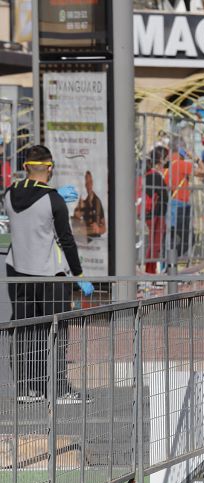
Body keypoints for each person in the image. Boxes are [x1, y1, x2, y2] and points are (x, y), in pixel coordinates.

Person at [4, 145, 94, 403]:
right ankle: (57, 388)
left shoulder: (9, 195)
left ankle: (27, 389)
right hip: (49, 274)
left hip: (18, 272)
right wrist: (78, 275)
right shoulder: (53, 199)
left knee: (24, 331)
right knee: (55, 330)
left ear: (25, 167)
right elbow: (66, 240)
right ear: (50, 167)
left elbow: (27, 204)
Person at [141, 148, 169, 274]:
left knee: (153, 244)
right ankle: (150, 272)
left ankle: (150, 270)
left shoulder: (146, 176)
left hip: (149, 214)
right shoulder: (156, 176)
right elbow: (164, 196)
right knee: (155, 245)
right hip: (157, 214)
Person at [165, 144, 194, 263]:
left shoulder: (168, 168)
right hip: (181, 205)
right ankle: (171, 263)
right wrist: (195, 158)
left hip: (170, 203)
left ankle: (167, 264)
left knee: (170, 236)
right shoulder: (181, 165)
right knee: (189, 239)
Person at [72, 170, 105, 238]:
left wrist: (98, 230)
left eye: (90, 182)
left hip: (95, 241)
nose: (88, 185)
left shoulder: (97, 202)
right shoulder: (83, 202)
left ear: (92, 183)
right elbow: (75, 220)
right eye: (86, 183)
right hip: (84, 239)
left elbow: (104, 228)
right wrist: (77, 210)